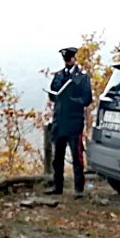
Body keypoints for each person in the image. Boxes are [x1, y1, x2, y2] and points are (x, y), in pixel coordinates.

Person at [45, 47, 93, 198]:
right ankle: (57, 185)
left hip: (74, 122)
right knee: (57, 157)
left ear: (74, 59)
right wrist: (56, 95)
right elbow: (53, 95)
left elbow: (87, 99)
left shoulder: (82, 77)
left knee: (76, 157)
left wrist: (72, 100)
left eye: (69, 59)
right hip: (59, 120)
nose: (68, 62)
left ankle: (79, 188)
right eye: (65, 59)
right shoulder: (59, 75)